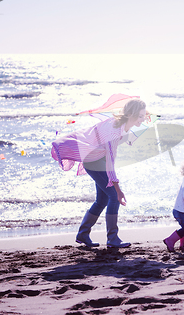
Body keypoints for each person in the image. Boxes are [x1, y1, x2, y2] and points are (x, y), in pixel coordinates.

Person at [51, 99, 147, 248]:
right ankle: (112, 238)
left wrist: (129, 137)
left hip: (97, 159)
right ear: (130, 114)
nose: (143, 119)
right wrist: (118, 189)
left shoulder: (120, 125)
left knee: (102, 200)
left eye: (144, 115)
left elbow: (106, 144)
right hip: (94, 162)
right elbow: (110, 162)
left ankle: (83, 234)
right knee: (114, 197)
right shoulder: (114, 130)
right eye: (140, 116)